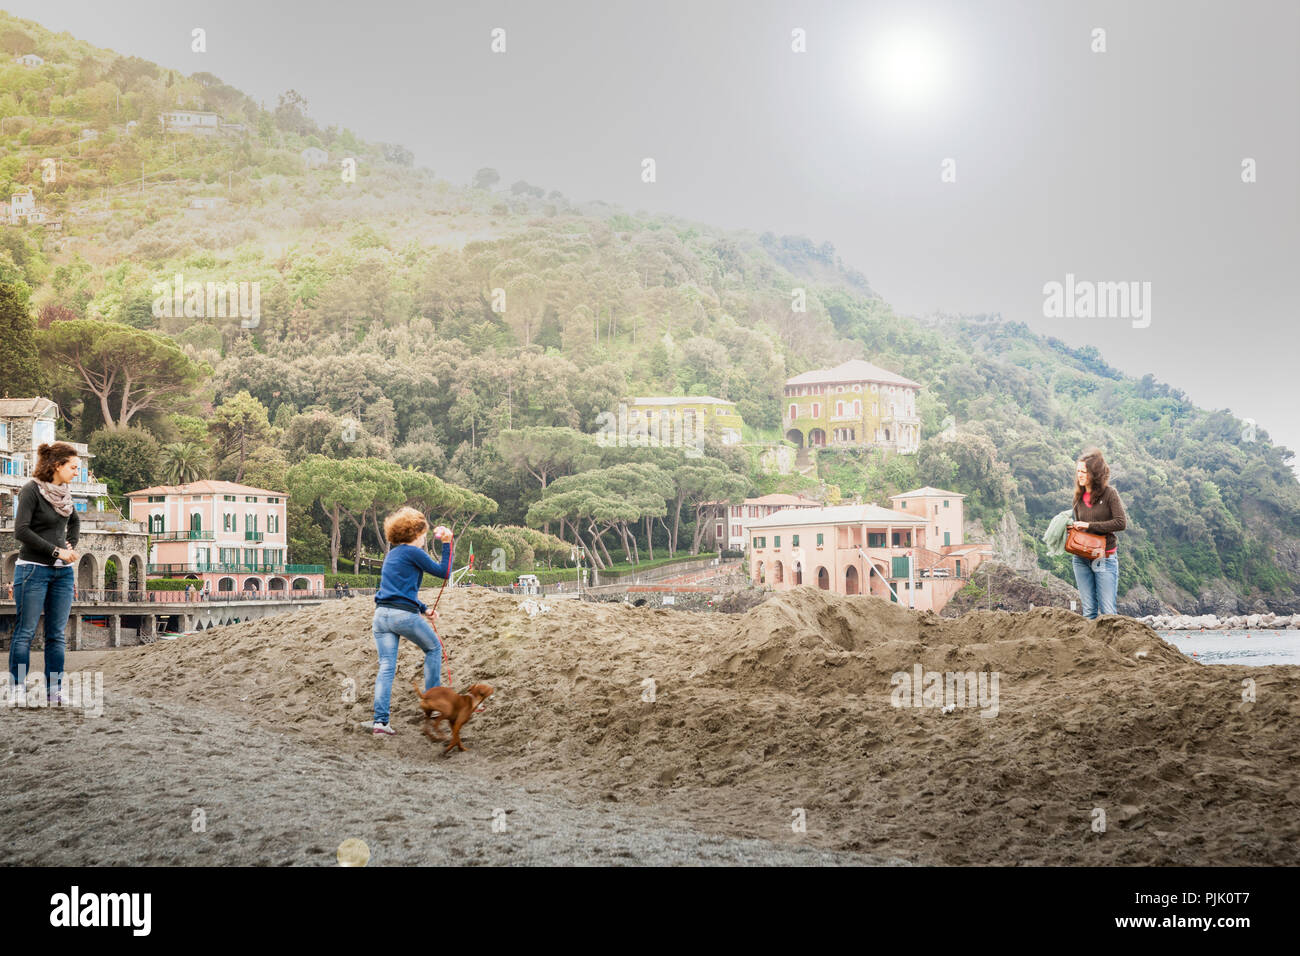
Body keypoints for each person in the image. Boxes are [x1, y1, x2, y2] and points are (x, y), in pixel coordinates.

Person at [9, 442, 81, 706]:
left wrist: (71, 544)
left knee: (56, 635)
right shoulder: (31, 491)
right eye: (73, 467)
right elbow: (21, 531)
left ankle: (54, 691)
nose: (76, 472)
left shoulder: (65, 493)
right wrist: (56, 551)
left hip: (62, 575)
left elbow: (74, 520)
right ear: (57, 465)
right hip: (32, 571)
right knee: (25, 632)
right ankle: (17, 688)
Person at [370, 508, 453, 736]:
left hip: (381, 616)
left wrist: (424, 608)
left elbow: (399, 591)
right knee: (434, 648)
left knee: (386, 667)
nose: (425, 538)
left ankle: (380, 723)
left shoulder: (393, 554)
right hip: (401, 616)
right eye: (423, 534)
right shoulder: (413, 552)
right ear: (415, 532)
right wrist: (447, 543)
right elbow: (444, 572)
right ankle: (435, 705)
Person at [1070, 446, 1127, 619]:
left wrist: (1088, 525)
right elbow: (1081, 526)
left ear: (1094, 474)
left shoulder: (1110, 494)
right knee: (1088, 613)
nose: (1079, 475)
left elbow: (1120, 523)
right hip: (1081, 558)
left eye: (1084, 472)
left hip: (1105, 557)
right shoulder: (1078, 497)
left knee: (1108, 613)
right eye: (1078, 471)